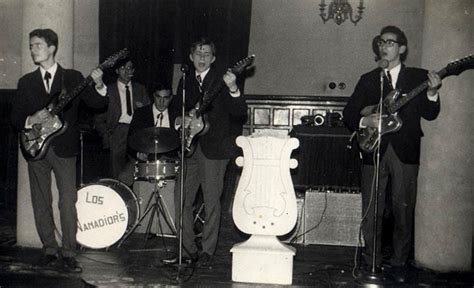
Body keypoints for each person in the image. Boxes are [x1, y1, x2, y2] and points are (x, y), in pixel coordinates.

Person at [343, 26, 441, 278]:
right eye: (380, 42)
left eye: (389, 42)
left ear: (402, 48)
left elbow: (431, 114)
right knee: (372, 207)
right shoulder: (368, 79)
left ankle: (399, 263)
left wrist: (431, 92)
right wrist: (367, 122)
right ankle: (371, 260)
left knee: (402, 208)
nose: (383, 46)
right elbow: (349, 114)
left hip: (405, 150)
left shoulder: (418, 77)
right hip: (373, 148)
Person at [10, 28, 108, 272]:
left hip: (65, 148)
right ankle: (49, 249)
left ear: (52, 48)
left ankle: (69, 252)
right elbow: (15, 118)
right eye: (31, 45)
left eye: (38, 45)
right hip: (35, 147)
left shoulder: (73, 78)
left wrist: (99, 84)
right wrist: (31, 118)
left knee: (68, 200)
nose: (33, 49)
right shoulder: (26, 82)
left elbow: (97, 104)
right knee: (41, 199)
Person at [162, 37, 248, 267]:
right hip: (188, 148)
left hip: (214, 150)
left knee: (211, 203)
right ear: (190, 57)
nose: (202, 58)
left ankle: (207, 251)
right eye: (198, 54)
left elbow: (240, 112)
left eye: (206, 54)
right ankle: (187, 249)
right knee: (181, 199)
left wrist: (233, 88)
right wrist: (180, 122)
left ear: (214, 58)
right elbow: (175, 110)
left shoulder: (220, 81)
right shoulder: (185, 80)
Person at [104, 58, 150, 186]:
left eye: (129, 68)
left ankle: (133, 198)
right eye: (123, 68)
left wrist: (141, 109)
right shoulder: (109, 89)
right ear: (117, 70)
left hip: (136, 132)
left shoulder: (140, 89)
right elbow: (100, 116)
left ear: (133, 71)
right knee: (116, 171)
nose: (126, 71)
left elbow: (149, 113)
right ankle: (118, 198)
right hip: (117, 131)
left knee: (135, 168)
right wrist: (107, 135)